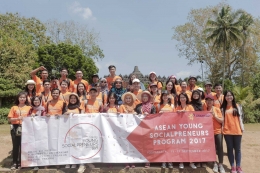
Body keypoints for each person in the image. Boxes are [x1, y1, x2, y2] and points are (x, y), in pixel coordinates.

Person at [221, 91, 244, 173]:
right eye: (227, 95)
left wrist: (242, 128)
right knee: (230, 149)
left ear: (233, 97)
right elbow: (222, 120)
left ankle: (238, 166)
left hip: (237, 131)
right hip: (227, 132)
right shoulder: (223, 108)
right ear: (225, 97)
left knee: (237, 149)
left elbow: (241, 119)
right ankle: (233, 167)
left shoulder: (238, 106)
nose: (229, 97)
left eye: (230, 95)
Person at [8, 91, 31, 170]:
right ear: (18, 98)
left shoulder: (29, 107)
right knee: (16, 145)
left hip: (26, 127)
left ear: (26, 98)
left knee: (23, 146)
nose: (22, 99)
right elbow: (9, 119)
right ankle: (15, 162)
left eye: (24, 97)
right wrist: (17, 118)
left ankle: (22, 162)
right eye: (20, 97)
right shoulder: (14, 107)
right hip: (15, 127)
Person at [203, 94, 225, 173]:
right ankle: (214, 163)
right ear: (205, 102)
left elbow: (222, 120)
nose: (209, 102)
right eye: (207, 100)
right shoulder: (204, 111)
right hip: (208, 133)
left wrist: (215, 116)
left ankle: (221, 164)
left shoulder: (217, 109)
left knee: (220, 148)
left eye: (210, 100)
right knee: (212, 149)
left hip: (217, 131)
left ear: (213, 102)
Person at [175, 93, 196, 169]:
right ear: (179, 99)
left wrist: (186, 113)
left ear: (186, 98)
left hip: (189, 129)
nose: (182, 99)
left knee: (190, 146)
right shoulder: (177, 108)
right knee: (181, 146)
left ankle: (191, 162)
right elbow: (173, 119)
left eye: (184, 97)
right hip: (180, 130)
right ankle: (181, 162)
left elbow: (193, 116)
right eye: (181, 97)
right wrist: (177, 114)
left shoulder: (190, 107)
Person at [135, 91, 156, 168]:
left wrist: (149, 115)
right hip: (139, 128)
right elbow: (135, 116)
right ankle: (140, 160)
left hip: (149, 128)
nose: (144, 98)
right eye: (143, 96)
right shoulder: (138, 106)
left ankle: (148, 161)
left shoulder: (153, 107)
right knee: (140, 144)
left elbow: (155, 116)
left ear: (148, 97)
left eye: (146, 96)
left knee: (148, 145)